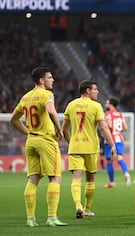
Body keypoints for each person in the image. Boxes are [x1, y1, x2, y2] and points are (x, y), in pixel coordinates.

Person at [10, 67, 67, 227]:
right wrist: (59, 129)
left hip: (31, 141)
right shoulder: (46, 94)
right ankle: (52, 217)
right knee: (55, 177)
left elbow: (13, 119)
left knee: (33, 179)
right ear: (41, 80)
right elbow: (51, 111)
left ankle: (30, 219)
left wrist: (27, 131)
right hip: (46, 140)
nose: (53, 80)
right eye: (50, 77)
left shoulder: (26, 97)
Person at [62, 80, 116, 219]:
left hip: (75, 147)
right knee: (90, 178)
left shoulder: (71, 105)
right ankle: (86, 208)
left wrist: (71, 142)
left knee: (76, 178)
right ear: (87, 91)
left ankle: (78, 205)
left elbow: (64, 129)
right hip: (91, 147)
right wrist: (112, 145)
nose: (97, 92)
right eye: (95, 89)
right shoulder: (96, 106)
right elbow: (103, 128)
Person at [103, 96, 131, 188]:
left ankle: (111, 182)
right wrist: (118, 131)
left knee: (109, 161)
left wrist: (104, 124)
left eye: (107, 103)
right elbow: (126, 128)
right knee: (120, 158)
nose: (106, 104)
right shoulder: (120, 114)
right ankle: (126, 174)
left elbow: (110, 125)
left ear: (111, 104)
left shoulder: (107, 114)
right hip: (119, 138)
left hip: (110, 140)